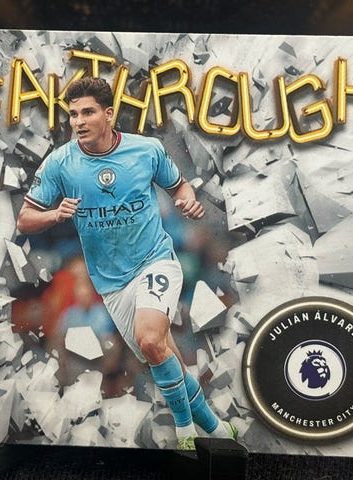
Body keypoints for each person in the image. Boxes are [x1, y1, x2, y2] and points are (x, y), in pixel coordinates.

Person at [17, 76, 237, 449]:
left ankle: (185, 433)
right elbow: (25, 219)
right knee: (160, 352)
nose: (79, 121)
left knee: (150, 340)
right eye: (73, 114)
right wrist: (55, 214)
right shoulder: (60, 163)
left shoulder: (146, 150)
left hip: (155, 262)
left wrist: (187, 200)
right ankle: (216, 430)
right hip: (112, 283)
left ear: (109, 114)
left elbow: (180, 186)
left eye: (87, 112)